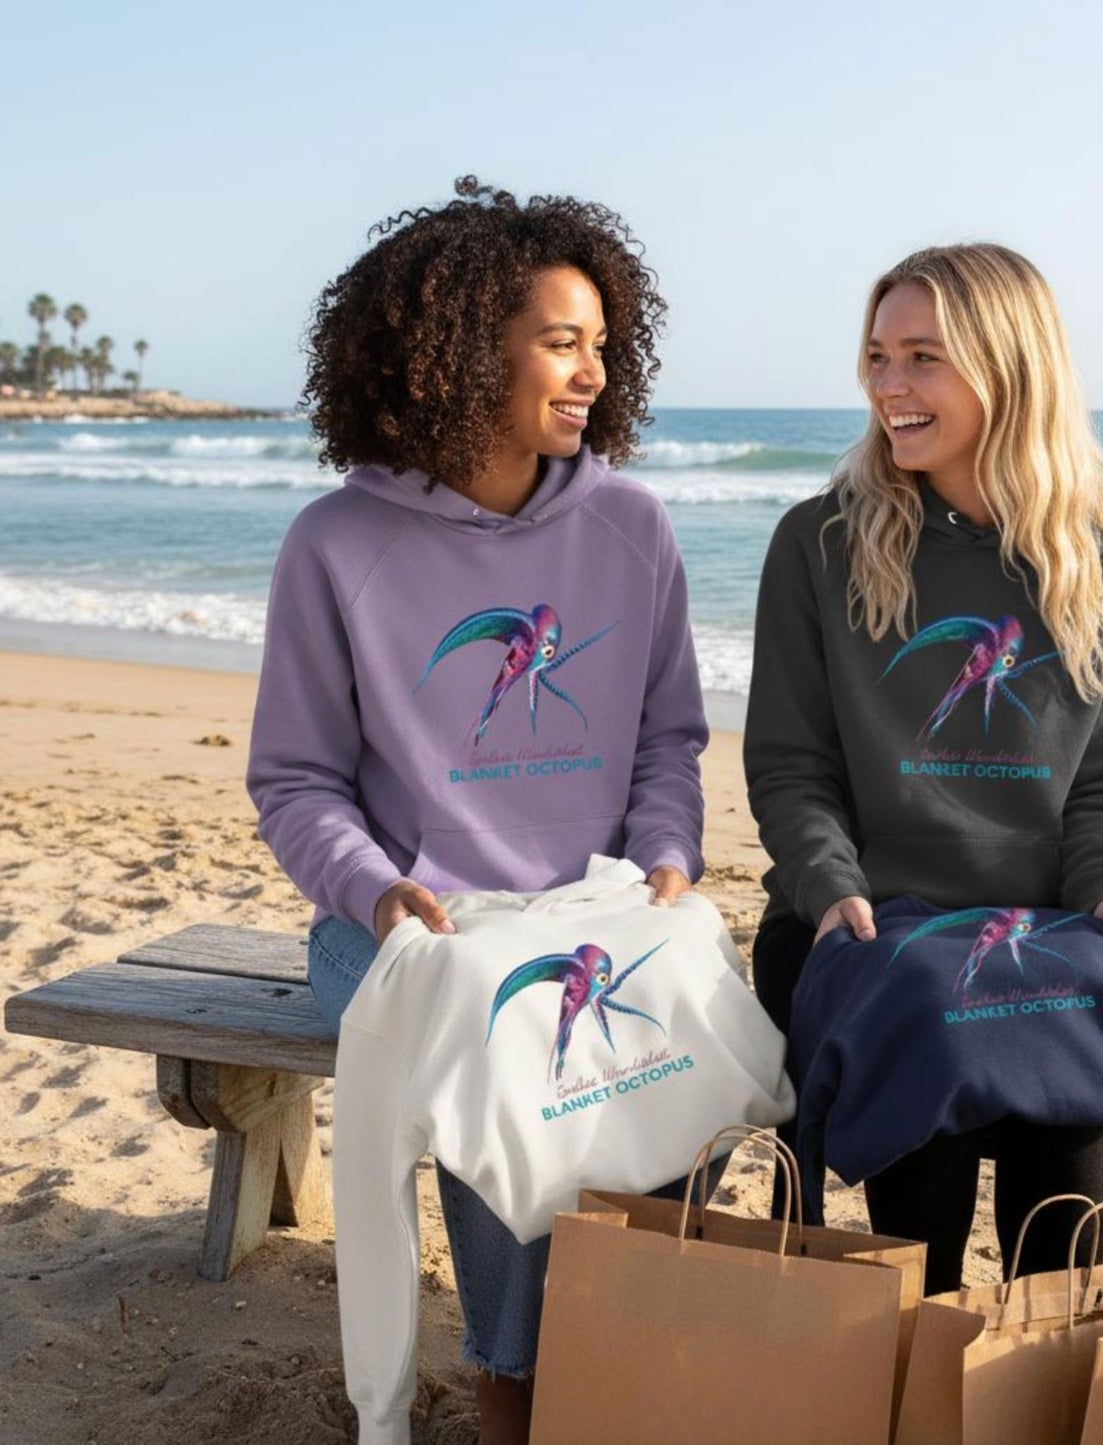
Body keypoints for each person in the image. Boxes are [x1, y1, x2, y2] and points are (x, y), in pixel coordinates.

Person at [246, 177, 707, 1444]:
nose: (592, 375)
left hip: (590, 902)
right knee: (504, 1040)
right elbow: (293, 780)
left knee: (694, 1045)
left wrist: (666, 851)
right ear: (459, 353)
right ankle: (514, 1385)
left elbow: (670, 737)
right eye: (561, 342)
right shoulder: (336, 543)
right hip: (401, 924)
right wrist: (375, 887)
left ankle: (636, 1362)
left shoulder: (629, 525)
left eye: (602, 346)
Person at [743, 243, 1103, 1297]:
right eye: (877, 356)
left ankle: (1040, 1362)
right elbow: (790, 766)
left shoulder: (1095, 565)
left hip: (1028, 930)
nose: (888, 386)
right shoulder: (820, 542)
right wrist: (826, 881)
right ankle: (913, 1347)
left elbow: (1102, 788)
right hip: (859, 921)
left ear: (1007, 368)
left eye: (921, 357)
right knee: (928, 1018)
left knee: (1062, 1076)